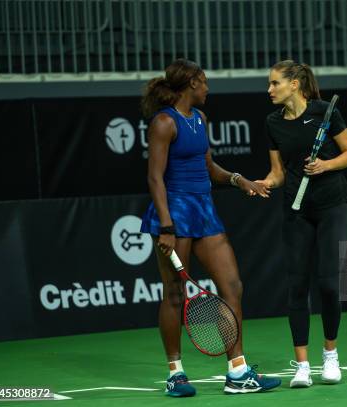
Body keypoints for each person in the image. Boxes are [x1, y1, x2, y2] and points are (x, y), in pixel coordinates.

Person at [139, 58, 281, 396]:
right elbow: (155, 178)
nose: (208, 88)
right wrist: (167, 227)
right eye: (204, 82)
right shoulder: (163, 122)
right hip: (175, 213)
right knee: (174, 294)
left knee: (232, 287)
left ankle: (238, 371)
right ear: (191, 83)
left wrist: (238, 179)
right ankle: (175, 374)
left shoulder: (200, 119)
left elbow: (208, 167)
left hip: (204, 211)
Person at [255, 60, 347, 388]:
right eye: (269, 84)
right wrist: (262, 184)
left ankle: (330, 355)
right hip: (296, 211)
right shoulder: (273, 122)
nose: (269, 90)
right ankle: (302, 366)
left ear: (294, 84)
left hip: (333, 206)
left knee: (329, 285)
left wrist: (325, 165)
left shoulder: (325, 111)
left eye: (275, 83)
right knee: (297, 286)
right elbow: (278, 172)